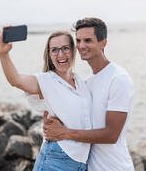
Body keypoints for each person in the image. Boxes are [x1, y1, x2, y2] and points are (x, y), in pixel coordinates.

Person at [43, 18, 135, 171]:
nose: (81, 46)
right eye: (78, 40)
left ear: (103, 43)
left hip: (114, 167)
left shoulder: (118, 78)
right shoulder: (86, 83)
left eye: (88, 40)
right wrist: (52, 123)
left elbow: (111, 135)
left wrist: (64, 133)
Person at [0, 27, 91, 171]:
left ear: (73, 50)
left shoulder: (80, 82)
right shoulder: (46, 80)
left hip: (81, 163)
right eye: (54, 50)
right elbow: (16, 80)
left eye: (65, 48)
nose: (60, 54)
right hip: (55, 160)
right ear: (49, 54)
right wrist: (3, 54)